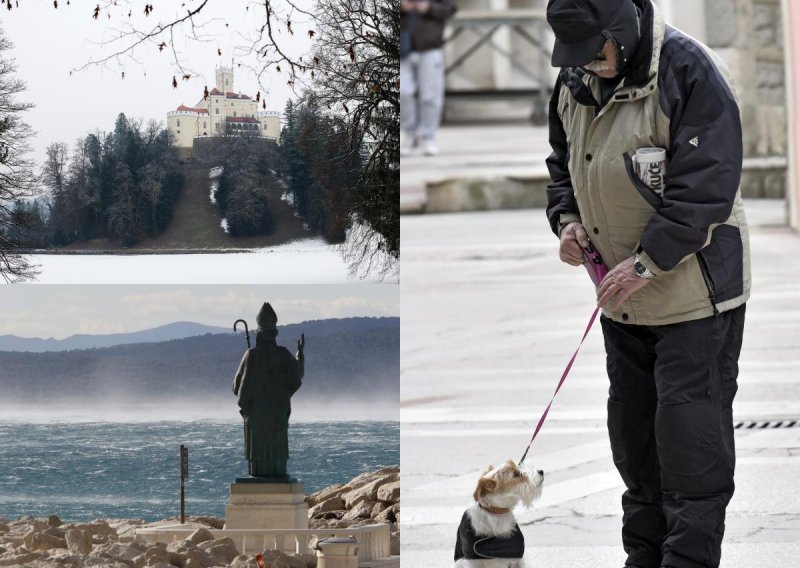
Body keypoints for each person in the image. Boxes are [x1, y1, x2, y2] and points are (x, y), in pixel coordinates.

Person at [544, 1, 750, 567]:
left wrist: (645, 265)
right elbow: (562, 163)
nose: (591, 67)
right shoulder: (575, 77)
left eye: (597, 53)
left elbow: (706, 188)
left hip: (694, 301)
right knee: (636, 454)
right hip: (623, 308)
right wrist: (567, 222)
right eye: (578, 57)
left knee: (691, 455)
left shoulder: (688, 70)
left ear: (622, 31)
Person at [232, 302, 304, 478]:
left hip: (256, 416)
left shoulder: (251, 355)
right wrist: (300, 355)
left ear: (258, 335)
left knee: (258, 455)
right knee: (276, 449)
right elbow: (297, 375)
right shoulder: (282, 353)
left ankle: (259, 475)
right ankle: (277, 473)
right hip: (277, 414)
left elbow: (236, 386)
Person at [400, 0, 457, 157]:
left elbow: (451, 8)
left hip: (430, 46)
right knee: (403, 92)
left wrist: (428, 7)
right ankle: (410, 134)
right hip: (402, 46)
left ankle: (428, 136)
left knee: (430, 95)